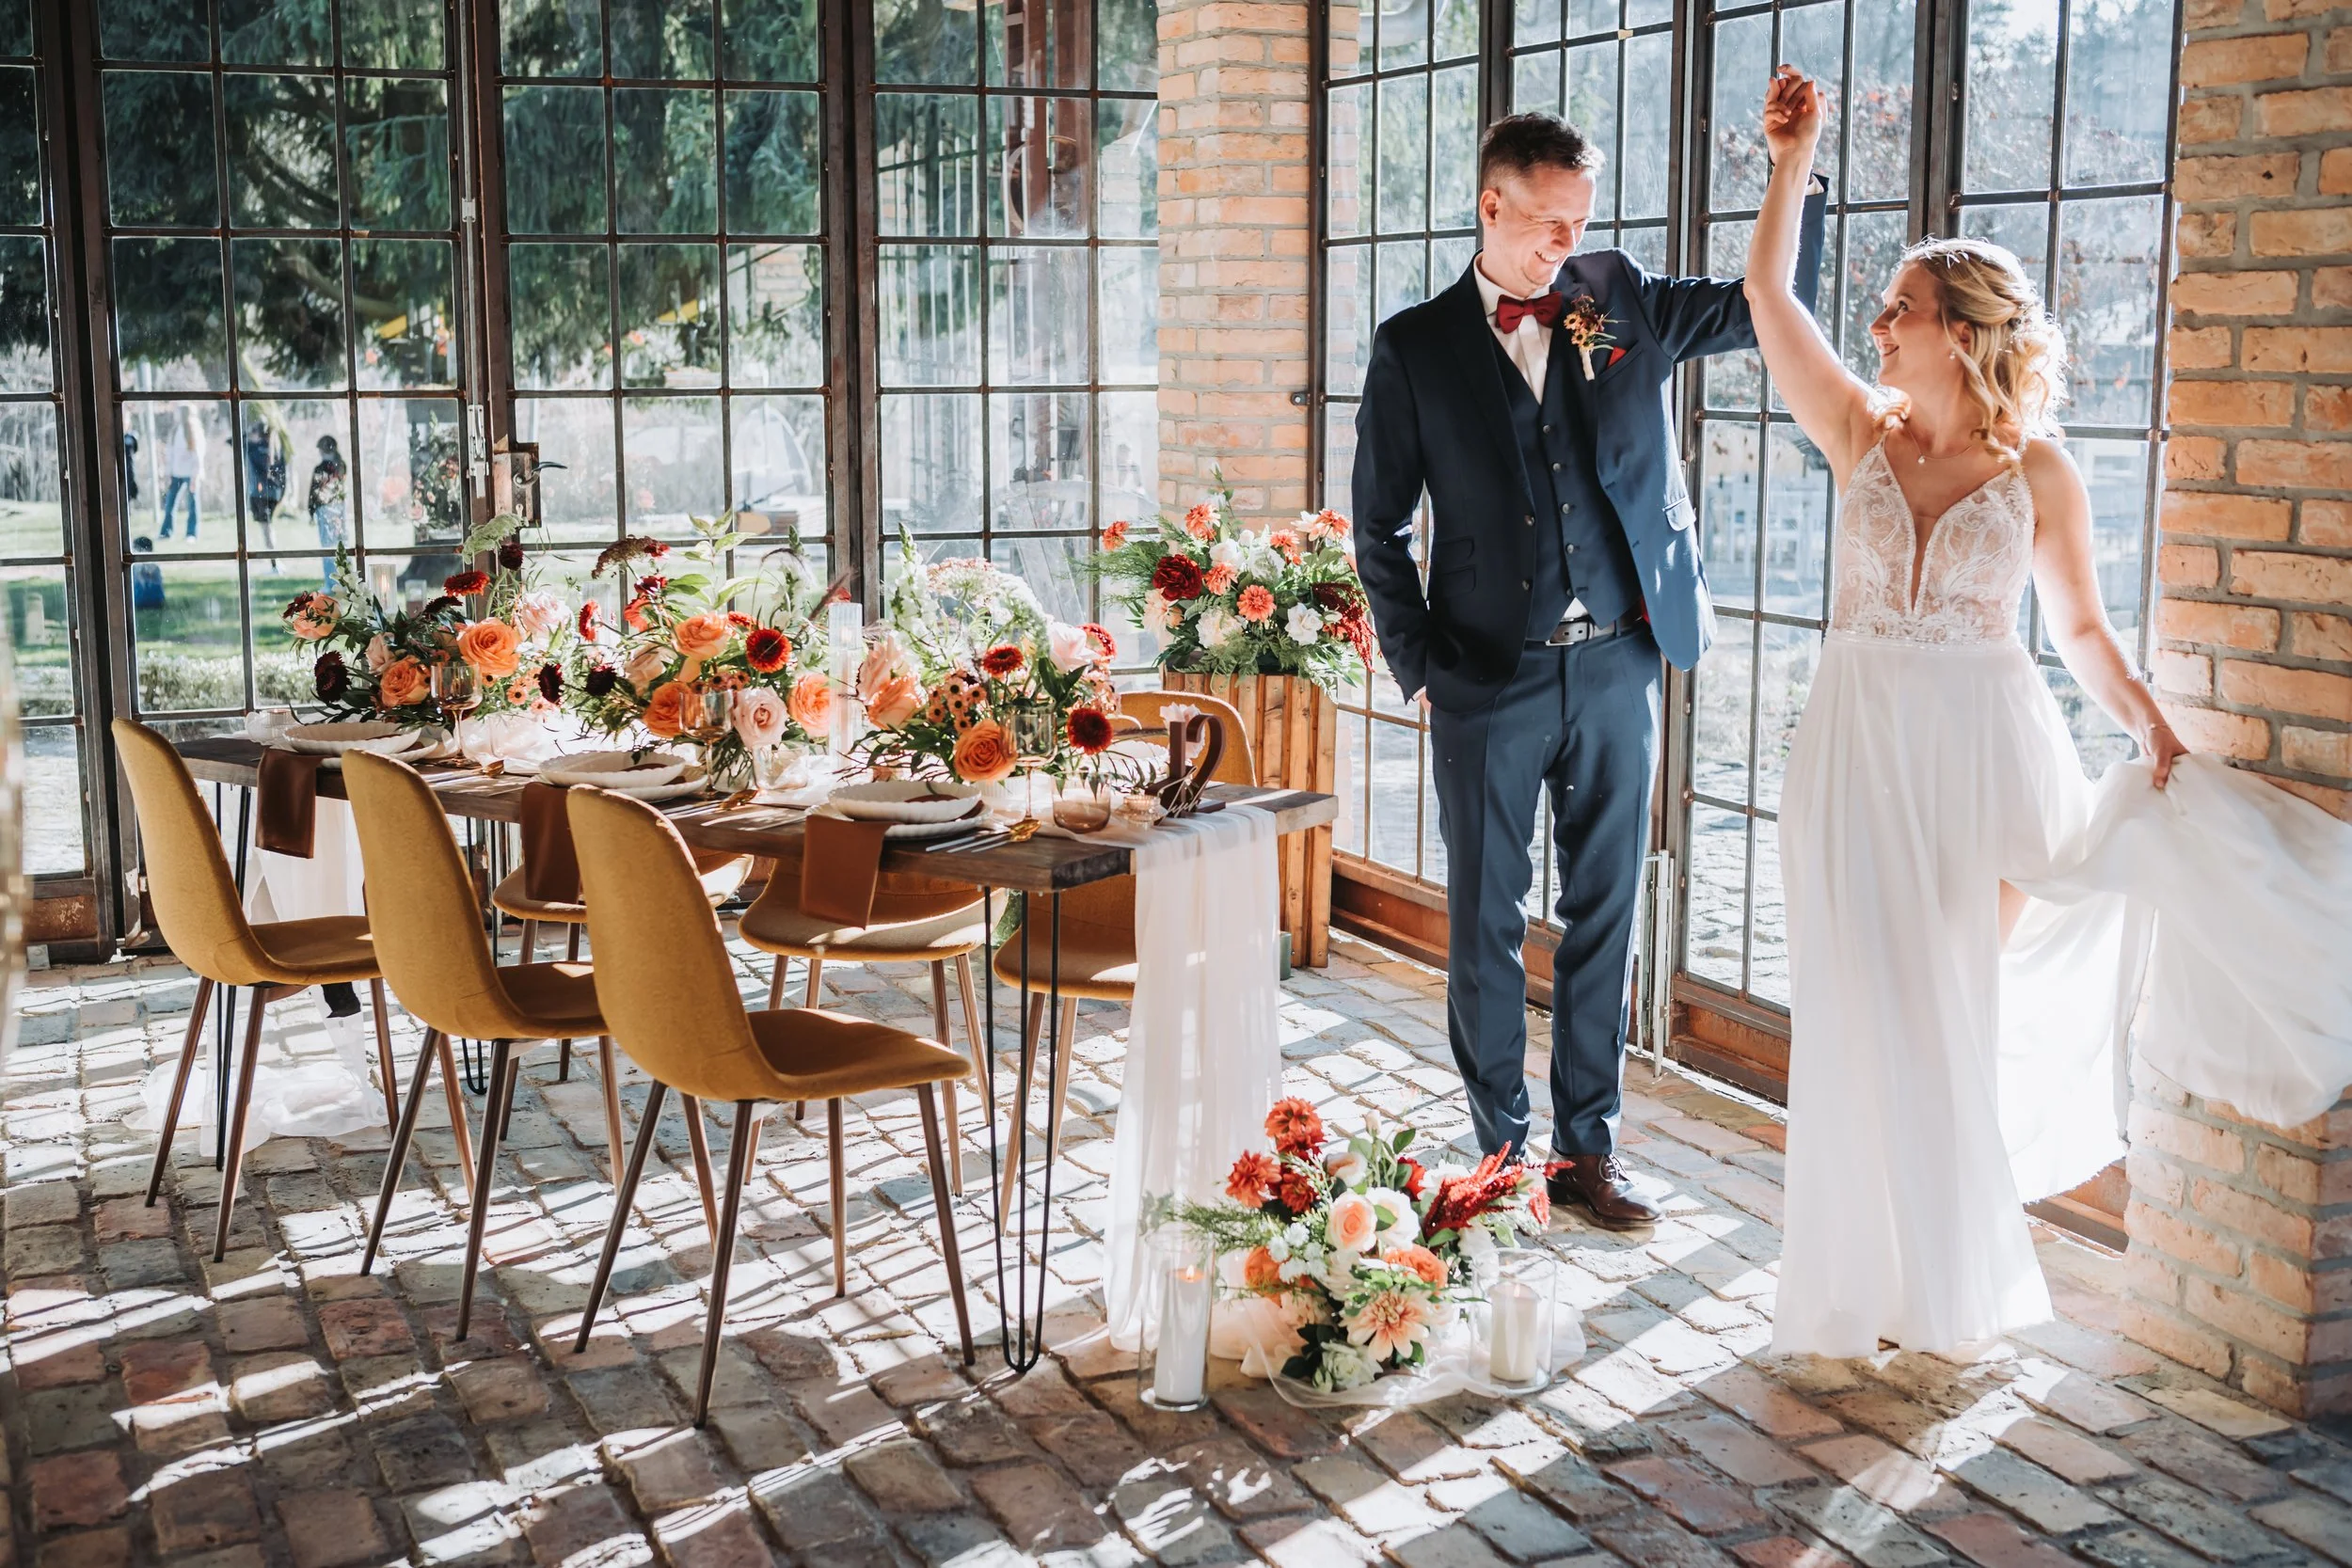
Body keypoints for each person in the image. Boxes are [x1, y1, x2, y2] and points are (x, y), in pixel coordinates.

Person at [1745, 68, 2351, 1355]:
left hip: (1978, 751)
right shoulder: (1857, 428)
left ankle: (1945, 1282)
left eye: (1899, 304)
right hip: (1852, 746)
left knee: (1943, 996)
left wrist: (2146, 722)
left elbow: (2078, 627)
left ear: (1957, 326)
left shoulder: (2043, 472)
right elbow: (1766, 299)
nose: (1877, 319)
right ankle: (1859, 1283)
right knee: (1858, 1000)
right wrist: (1793, 163)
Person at [1352, 113, 1824, 1228]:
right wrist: (1419, 664)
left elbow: (1769, 304)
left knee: (1607, 911)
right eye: (1548, 223)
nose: (1566, 243)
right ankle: (1499, 1160)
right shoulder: (1412, 347)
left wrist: (1793, 171)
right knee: (1485, 919)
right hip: (1484, 677)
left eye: (1581, 220)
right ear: (1491, 207)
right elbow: (1377, 526)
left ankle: (1586, 1153)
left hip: (1620, 662)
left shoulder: (1618, 298)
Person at [244, 414, 289, 554]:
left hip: (259, 494)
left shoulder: (252, 448)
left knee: (266, 528)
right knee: (268, 526)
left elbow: (232, 441)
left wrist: (248, 432)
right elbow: (282, 475)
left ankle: (274, 561)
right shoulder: (276, 450)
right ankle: (274, 560)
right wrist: (281, 494)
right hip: (273, 494)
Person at [308, 434, 347, 590]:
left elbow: (314, 492)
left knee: (328, 548)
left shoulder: (320, 469)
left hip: (325, 510)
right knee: (342, 544)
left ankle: (331, 583)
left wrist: (310, 510)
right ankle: (344, 581)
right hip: (340, 508)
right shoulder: (341, 465)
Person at [158, 405, 202, 540]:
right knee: (170, 503)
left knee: (192, 504)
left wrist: (195, 476)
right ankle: (166, 532)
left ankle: (191, 533)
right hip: (176, 473)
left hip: (190, 474)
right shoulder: (175, 430)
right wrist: (168, 473)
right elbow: (170, 454)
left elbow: (197, 455)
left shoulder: (194, 430)